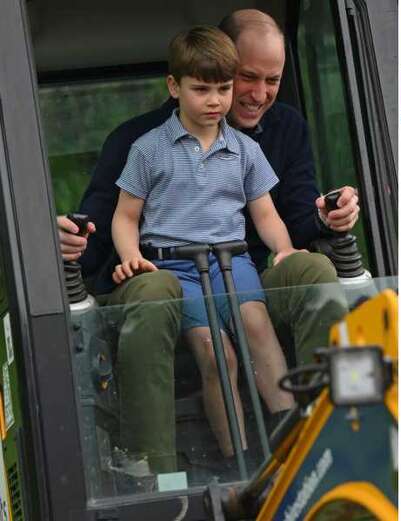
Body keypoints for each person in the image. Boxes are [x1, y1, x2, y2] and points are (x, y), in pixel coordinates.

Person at [56, 9, 357, 477]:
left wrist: (323, 217)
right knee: (201, 337)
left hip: (241, 266)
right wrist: (78, 244)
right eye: (244, 78)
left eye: (271, 80)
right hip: (166, 271)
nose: (255, 95)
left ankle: (323, 440)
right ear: (181, 83)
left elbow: (281, 215)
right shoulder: (141, 144)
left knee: (313, 273)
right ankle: (156, 470)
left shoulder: (275, 134)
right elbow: (107, 225)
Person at [111, 25, 296, 456]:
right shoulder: (148, 149)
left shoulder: (245, 150)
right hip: (176, 267)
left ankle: (293, 440)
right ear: (174, 87)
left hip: (233, 260)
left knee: (257, 327)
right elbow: (125, 216)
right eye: (201, 89)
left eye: (224, 89)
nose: (215, 101)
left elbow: (264, 213)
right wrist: (132, 257)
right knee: (217, 356)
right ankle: (238, 457)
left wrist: (283, 249)